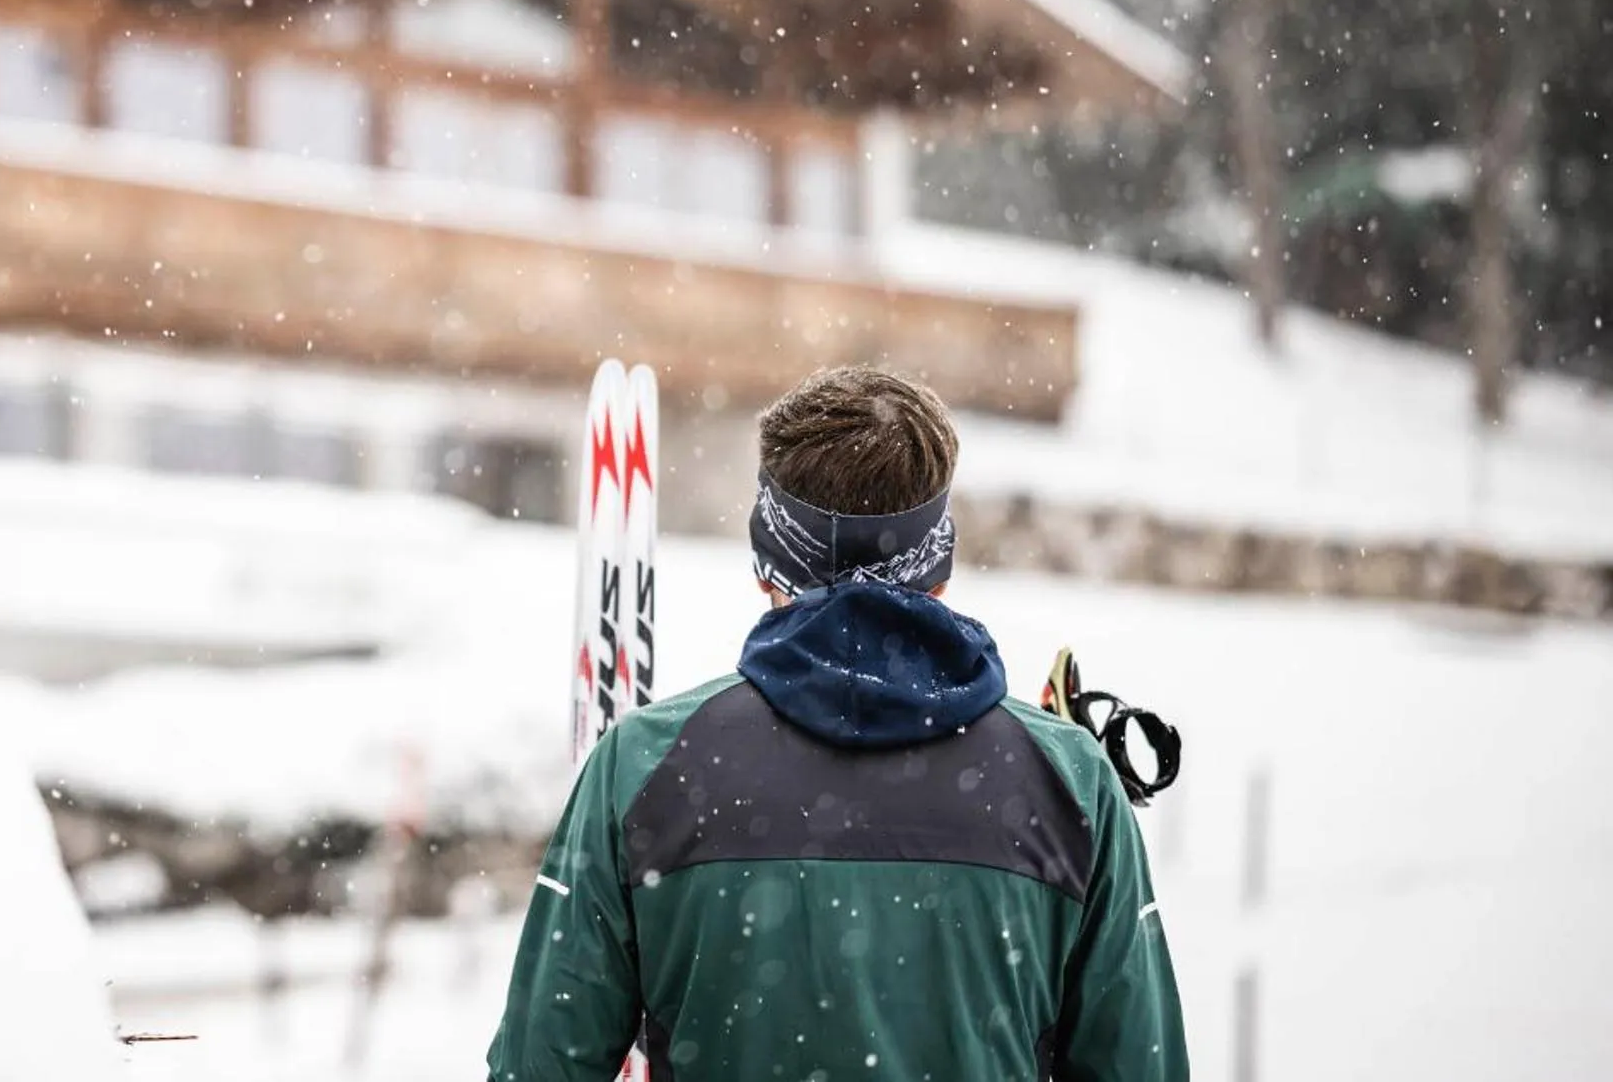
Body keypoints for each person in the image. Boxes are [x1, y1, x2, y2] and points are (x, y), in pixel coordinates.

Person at [486, 367, 1185, 1081]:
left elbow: (536, 1065)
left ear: (766, 564)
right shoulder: (1069, 785)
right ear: (938, 565)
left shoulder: (645, 767)